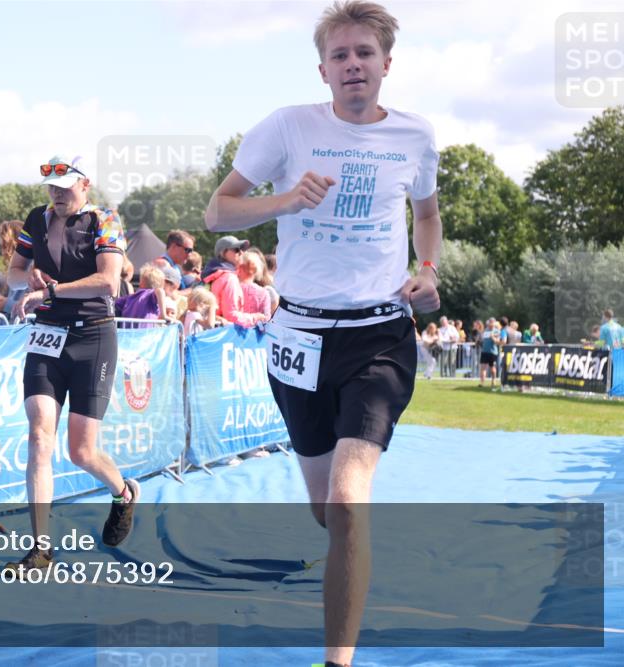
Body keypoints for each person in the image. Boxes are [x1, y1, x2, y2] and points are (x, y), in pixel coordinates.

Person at [204, 3, 441, 665]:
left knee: (345, 498)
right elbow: (217, 210)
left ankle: (337, 658)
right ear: (323, 70)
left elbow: (426, 214)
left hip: (379, 335)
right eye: (340, 55)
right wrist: (284, 199)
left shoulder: (416, 136)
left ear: (386, 64)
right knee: (326, 510)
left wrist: (428, 270)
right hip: (298, 338)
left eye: (364, 53)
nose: (353, 64)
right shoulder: (287, 126)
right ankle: (348, 553)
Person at [6, 155, 139, 573]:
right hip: (48, 334)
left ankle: (123, 493)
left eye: (65, 188)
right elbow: (12, 273)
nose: (57, 195)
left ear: (85, 185)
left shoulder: (104, 219)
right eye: (52, 188)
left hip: (93, 336)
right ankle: (40, 549)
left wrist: (52, 291)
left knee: (80, 451)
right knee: (38, 437)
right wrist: (27, 278)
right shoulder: (36, 218)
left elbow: (108, 282)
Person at [202, 236, 271, 328]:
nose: (241, 253)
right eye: (236, 250)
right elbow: (231, 316)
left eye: (241, 249)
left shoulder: (213, 274)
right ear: (223, 253)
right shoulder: (229, 278)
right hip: (224, 332)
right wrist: (256, 317)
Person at [0, 219, 27, 322]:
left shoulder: (33, 268)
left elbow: (34, 306)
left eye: (5, 246)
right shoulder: (13, 271)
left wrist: (6, 304)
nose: (2, 251)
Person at [479, 318, 501, 388]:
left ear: (494, 323)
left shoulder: (497, 331)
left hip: (492, 352)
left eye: (492, 322)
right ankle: (482, 382)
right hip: (484, 351)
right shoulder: (485, 330)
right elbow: (482, 339)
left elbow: (497, 342)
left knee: (492, 368)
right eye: (489, 322)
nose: (490, 324)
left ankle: (493, 381)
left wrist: (492, 337)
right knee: (483, 367)